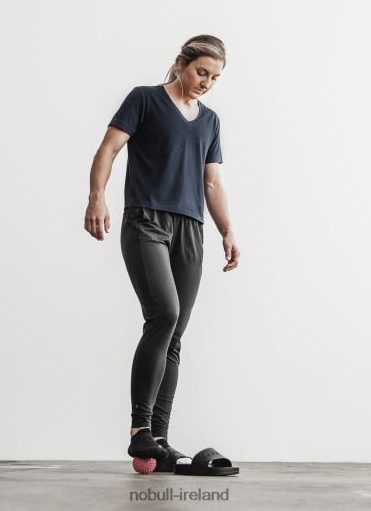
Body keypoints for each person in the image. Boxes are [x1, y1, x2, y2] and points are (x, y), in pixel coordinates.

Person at [84, 35, 240, 467]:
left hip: (191, 228)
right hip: (146, 220)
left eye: (214, 77)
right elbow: (108, 149)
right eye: (201, 72)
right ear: (181, 64)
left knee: (174, 335)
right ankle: (140, 430)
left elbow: (212, 182)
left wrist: (227, 230)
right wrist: (97, 198)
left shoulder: (210, 122)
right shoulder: (145, 99)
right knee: (164, 314)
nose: (206, 82)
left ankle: (160, 439)